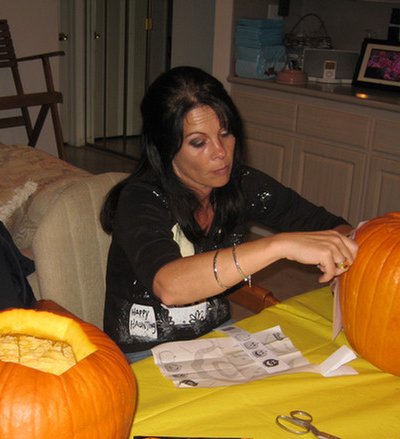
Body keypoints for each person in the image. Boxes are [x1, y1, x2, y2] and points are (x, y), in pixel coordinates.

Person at [100, 67, 358, 356]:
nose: (220, 151)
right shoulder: (140, 199)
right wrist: (279, 245)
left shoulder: (242, 184)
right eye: (199, 142)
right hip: (143, 355)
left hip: (216, 338)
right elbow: (170, 285)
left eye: (225, 133)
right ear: (164, 148)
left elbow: (336, 228)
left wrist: (342, 259)